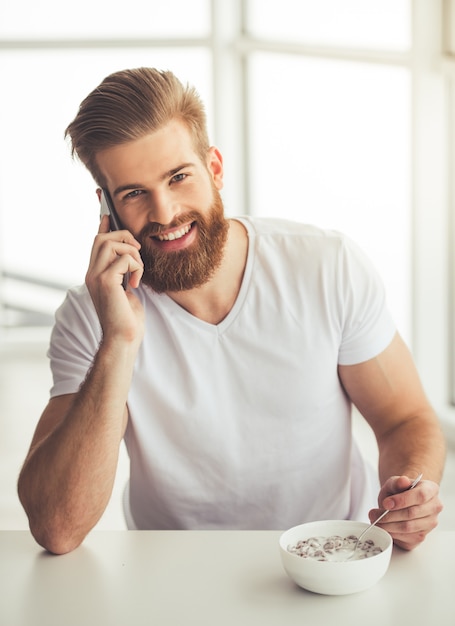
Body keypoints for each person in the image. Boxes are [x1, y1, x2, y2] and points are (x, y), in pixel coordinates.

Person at [18, 67, 445, 555]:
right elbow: (57, 527)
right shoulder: (89, 317)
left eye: (178, 177)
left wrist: (410, 492)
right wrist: (118, 341)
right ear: (107, 210)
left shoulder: (327, 266)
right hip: (175, 570)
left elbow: (404, 418)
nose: (163, 213)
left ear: (215, 168)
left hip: (332, 554)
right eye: (134, 193)